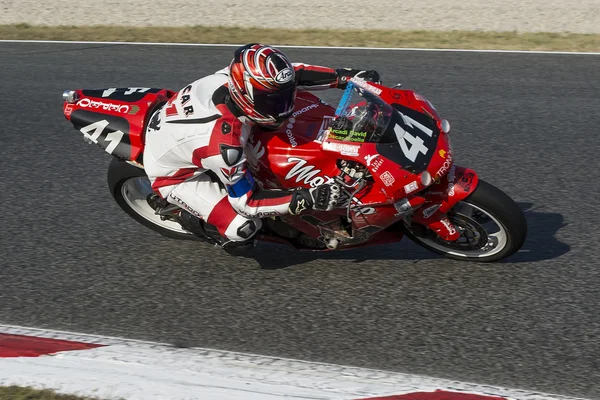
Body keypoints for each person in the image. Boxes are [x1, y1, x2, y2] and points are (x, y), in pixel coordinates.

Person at [143, 43, 381, 249]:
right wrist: (306, 198)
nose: (285, 106)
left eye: (285, 96)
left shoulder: (242, 77)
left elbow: (295, 73)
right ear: (246, 97)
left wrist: (347, 77)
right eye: (273, 101)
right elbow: (247, 203)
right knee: (243, 229)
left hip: (183, 127)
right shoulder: (224, 147)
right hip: (177, 176)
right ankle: (181, 212)